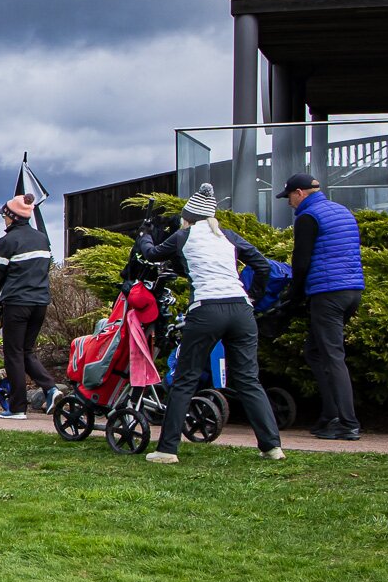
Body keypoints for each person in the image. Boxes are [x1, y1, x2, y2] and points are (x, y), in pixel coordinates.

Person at [134, 184, 285, 464]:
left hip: (206, 309)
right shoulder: (228, 236)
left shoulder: (184, 236)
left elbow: (152, 254)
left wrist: (144, 236)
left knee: (185, 379)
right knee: (248, 380)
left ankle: (167, 450)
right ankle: (272, 446)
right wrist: (252, 296)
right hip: (241, 310)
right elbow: (263, 266)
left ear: (187, 217)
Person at [279, 172, 364, 440]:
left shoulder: (308, 217)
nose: (289, 203)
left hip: (328, 293)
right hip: (352, 291)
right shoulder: (342, 211)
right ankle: (330, 416)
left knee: (332, 356)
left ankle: (347, 424)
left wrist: (293, 295)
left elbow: (301, 261)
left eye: (289, 197)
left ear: (300, 193)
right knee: (315, 351)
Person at [0, 193, 58, 420]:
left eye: (5, 216)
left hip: (17, 303)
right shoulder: (42, 239)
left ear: (13, 217)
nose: (4, 219)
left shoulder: (7, 242)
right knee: (26, 350)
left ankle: (17, 407)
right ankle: (51, 389)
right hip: (40, 302)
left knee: (13, 354)